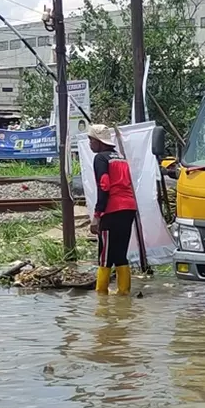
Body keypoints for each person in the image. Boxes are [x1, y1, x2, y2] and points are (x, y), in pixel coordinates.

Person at [88, 124, 138, 296]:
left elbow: (104, 186)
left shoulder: (101, 158)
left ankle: (101, 295)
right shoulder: (120, 157)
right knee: (120, 253)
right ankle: (124, 295)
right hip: (129, 208)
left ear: (99, 142)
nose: (90, 144)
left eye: (91, 140)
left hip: (113, 210)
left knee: (105, 255)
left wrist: (97, 215)